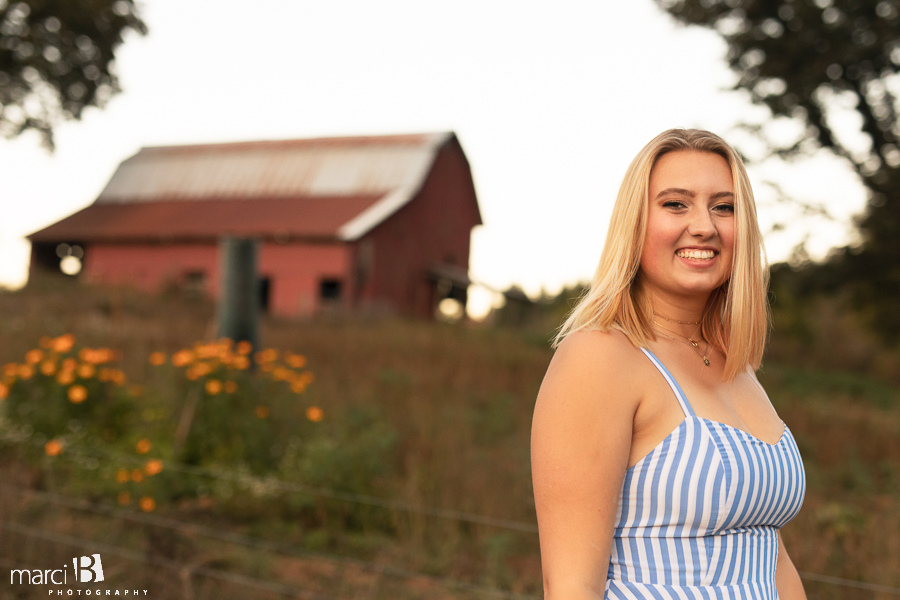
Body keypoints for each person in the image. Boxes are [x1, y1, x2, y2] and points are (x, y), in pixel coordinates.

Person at [531, 129, 807, 600]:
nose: (704, 226)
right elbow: (571, 586)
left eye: (724, 207)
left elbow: (769, 553)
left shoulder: (736, 365)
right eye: (676, 204)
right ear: (635, 223)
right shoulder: (599, 357)